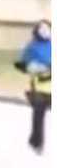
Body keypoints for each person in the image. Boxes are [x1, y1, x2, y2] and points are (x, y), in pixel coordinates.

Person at [16, 19, 51, 153]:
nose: (45, 31)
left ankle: (34, 140)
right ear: (37, 30)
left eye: (48, 28)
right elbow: (23, 63)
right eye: (42, 28)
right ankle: (37, 143)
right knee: (39, 115)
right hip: (38, 85)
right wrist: (34, 67)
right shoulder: (31, 46)